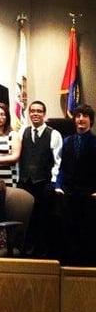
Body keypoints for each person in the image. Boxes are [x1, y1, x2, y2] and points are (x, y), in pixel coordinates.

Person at [18, 101, 62, 258]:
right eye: (32, 111)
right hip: (25, 183)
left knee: (42, 220)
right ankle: (27, 254)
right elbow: (18, 159)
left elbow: (57, 161)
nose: (35, 114)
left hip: (44, 184)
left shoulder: (54, 134)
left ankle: (42, 255)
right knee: (27, 220)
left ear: (44, 114)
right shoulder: (23, 131)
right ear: (29, 114)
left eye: (39, 111)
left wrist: (53, 182)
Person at [55, 104, 96, 266]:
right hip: (68, 194)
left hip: (89, 195)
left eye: (84, 116)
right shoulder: (67, 142)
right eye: (78, 116)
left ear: (90, 121)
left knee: (86, 233)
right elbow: (61, 167)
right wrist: (58, 186)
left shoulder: (94, 142)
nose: (80, 119)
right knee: (68, 232)